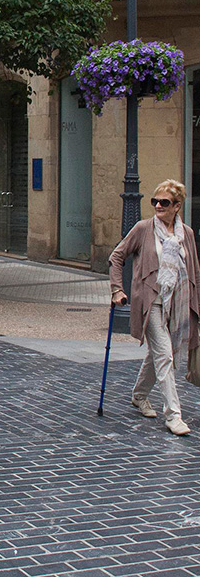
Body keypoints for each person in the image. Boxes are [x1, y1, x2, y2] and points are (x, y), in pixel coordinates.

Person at [109, 179, 200, 436]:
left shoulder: (188, 235)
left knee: (158, 354)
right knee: (165, 356)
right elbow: (116, 256)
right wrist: (118, 289)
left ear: (177, 206)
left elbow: (195, 271)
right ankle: (174, 415)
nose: (158, 206)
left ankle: (139, 395)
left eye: (164, 202)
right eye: (155, 201)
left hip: (179, 303)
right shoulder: (143, 229)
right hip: (151, 303)